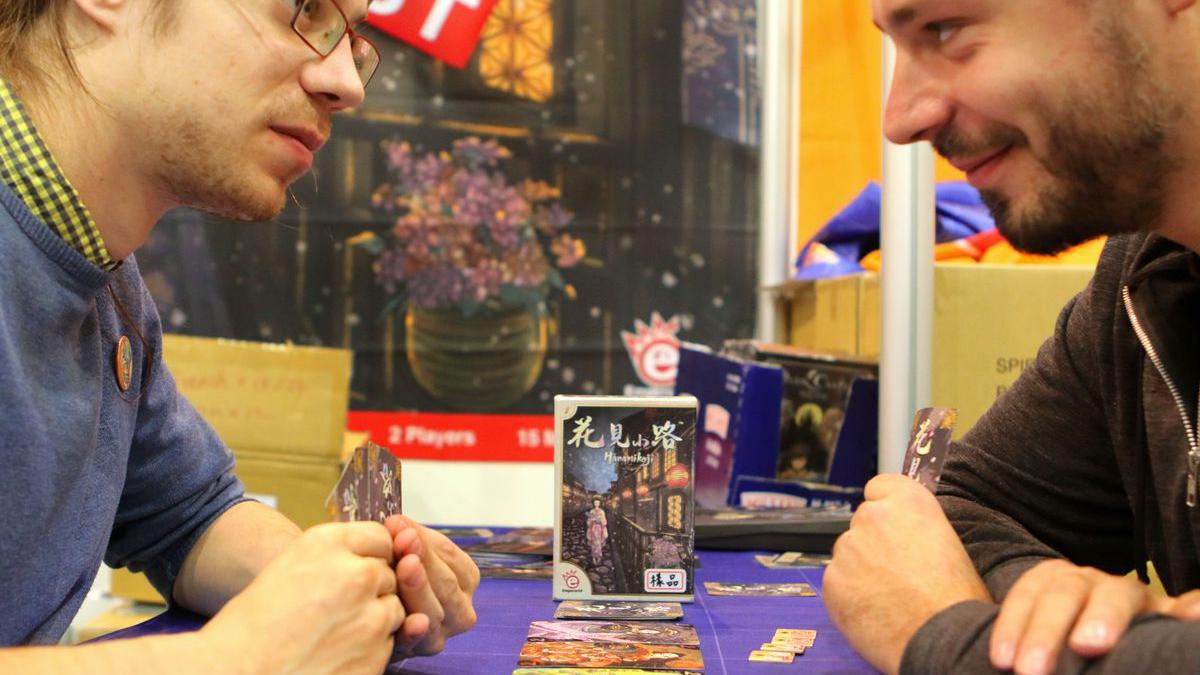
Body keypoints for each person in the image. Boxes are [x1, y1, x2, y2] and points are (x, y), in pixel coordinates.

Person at [0, 0, 479, 672]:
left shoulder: (109, 287)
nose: (347, 84)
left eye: (352, 41)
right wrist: (233, 659)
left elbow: (186, 514)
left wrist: (347, 585)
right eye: (305, 8)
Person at [824, 1, 1200, 673]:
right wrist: (1055, 608)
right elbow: (959, 511)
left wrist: (943, 635)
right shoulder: (1144, 276)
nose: (901, 118)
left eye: (944, 31)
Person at [587, 497, 608, 566]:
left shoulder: (602, 511)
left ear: (599, 503)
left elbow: (604, 521)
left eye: (598, 503)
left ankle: (599, 556)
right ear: (594, 503)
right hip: (593, 528)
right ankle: (593, 557)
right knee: (593, 543)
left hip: (599, 529)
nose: (596, 504)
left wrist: (600, 521)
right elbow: (588, 521)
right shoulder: (591, 511)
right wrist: (592, 520)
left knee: (598, 543)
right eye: (595, 503)